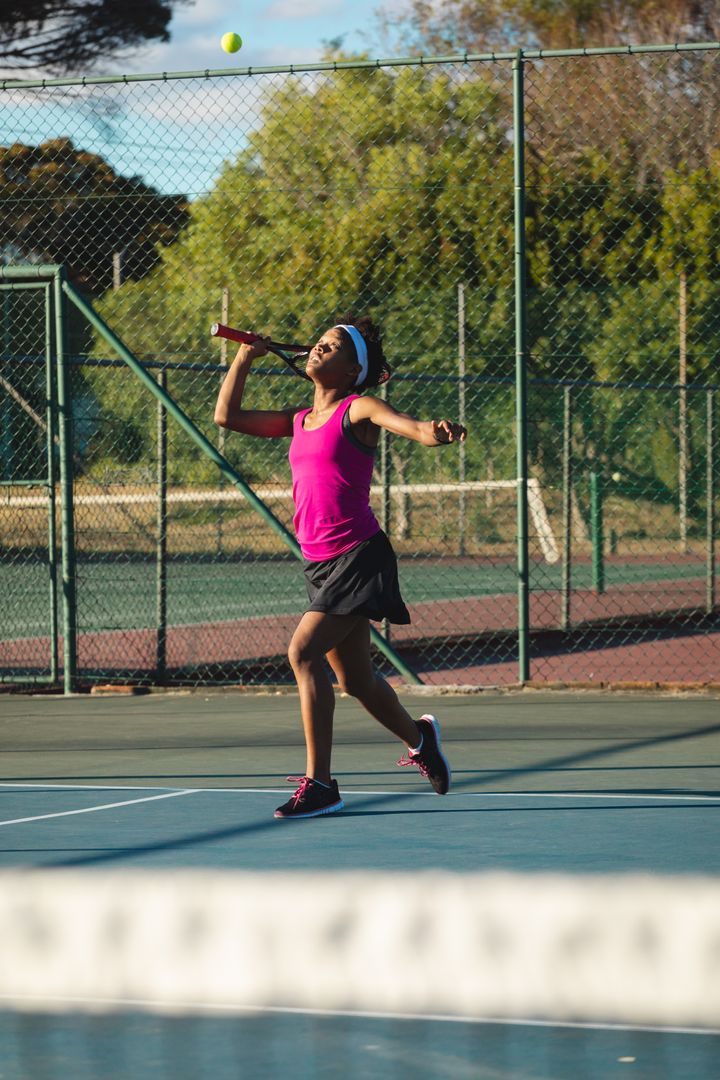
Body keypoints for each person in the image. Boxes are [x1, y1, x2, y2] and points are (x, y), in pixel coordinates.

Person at [214, 315, 467, 819]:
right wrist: (244, 357)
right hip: (320, 564)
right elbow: (227, 416)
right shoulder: (296, 419)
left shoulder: (359, 409)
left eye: (332, 348)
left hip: (359, 556)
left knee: (303, 653)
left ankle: (321, 783)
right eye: (318, 344)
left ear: (354, 370)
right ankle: (422, 741)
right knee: (355, 681)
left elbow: (411, 427)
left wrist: (433, 432)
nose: (318, 350)